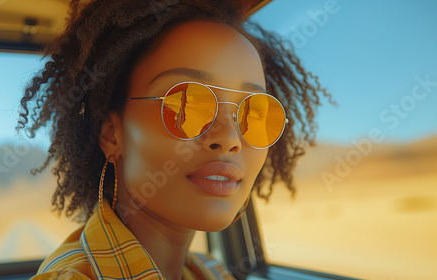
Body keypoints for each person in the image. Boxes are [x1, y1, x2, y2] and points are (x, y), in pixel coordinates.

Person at [17, 0, 331, 279]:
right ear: (112, 134)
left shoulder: (211, 271)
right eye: (185, 104)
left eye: (256, 113)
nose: (229, 138)